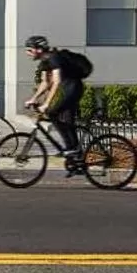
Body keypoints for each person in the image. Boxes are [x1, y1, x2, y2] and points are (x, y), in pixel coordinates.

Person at [22, 35, 85, 173]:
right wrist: (34, 98)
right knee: (65, 120)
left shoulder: (54, 58)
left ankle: (73, 150)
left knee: (51, 112)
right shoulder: (44, 62)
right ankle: (74, 156)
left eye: (29, 50)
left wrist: (46, 104)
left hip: (73, 88)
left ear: (38, 49)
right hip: (66, 88)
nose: (27, 53)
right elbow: (45, 82)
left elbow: (56, 82)